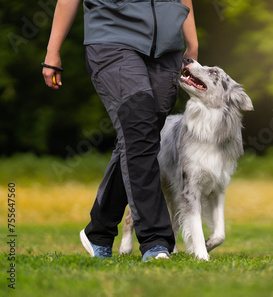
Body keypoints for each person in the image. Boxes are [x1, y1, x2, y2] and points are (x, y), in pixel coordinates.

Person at [42, 0, 198, 261]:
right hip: (112, 40)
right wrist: (52, 51)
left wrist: (191, 42)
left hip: (167, 48)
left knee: (142, 138)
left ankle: (99, 230)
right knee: (139, 129)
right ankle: (155, 241)